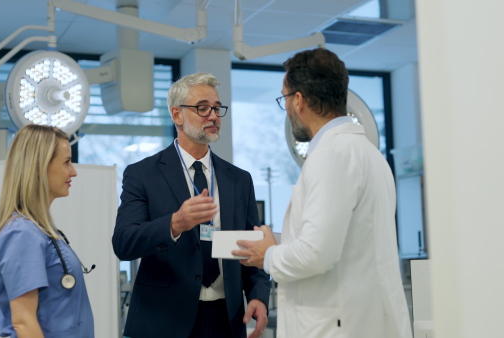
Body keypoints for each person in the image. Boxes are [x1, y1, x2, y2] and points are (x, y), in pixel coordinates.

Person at [232, 48, 413, 338]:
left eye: (285, 98)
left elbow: (316, 254)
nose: (287, 108)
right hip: (361, 318)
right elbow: (345, 239)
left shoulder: (331, 156)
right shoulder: (367, 152)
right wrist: (283, 241)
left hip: (337, 325)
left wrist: (268, 255)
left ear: (299, 100)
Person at [113, 72, 271, 338]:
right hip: (163, 321)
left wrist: (258, 296)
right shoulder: (143, 174)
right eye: (202, 108)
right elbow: (124, 243)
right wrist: (174, 224)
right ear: (177, 115)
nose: (213, 116)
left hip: (227, 319)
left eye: (217, 108)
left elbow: (252, 245)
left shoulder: (239, 179)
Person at [0, 124, 94, 338]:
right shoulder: (22, 234)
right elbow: (23, 322)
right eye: (66, 162)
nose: (73, 171)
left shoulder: (39, 230)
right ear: (38, 167)